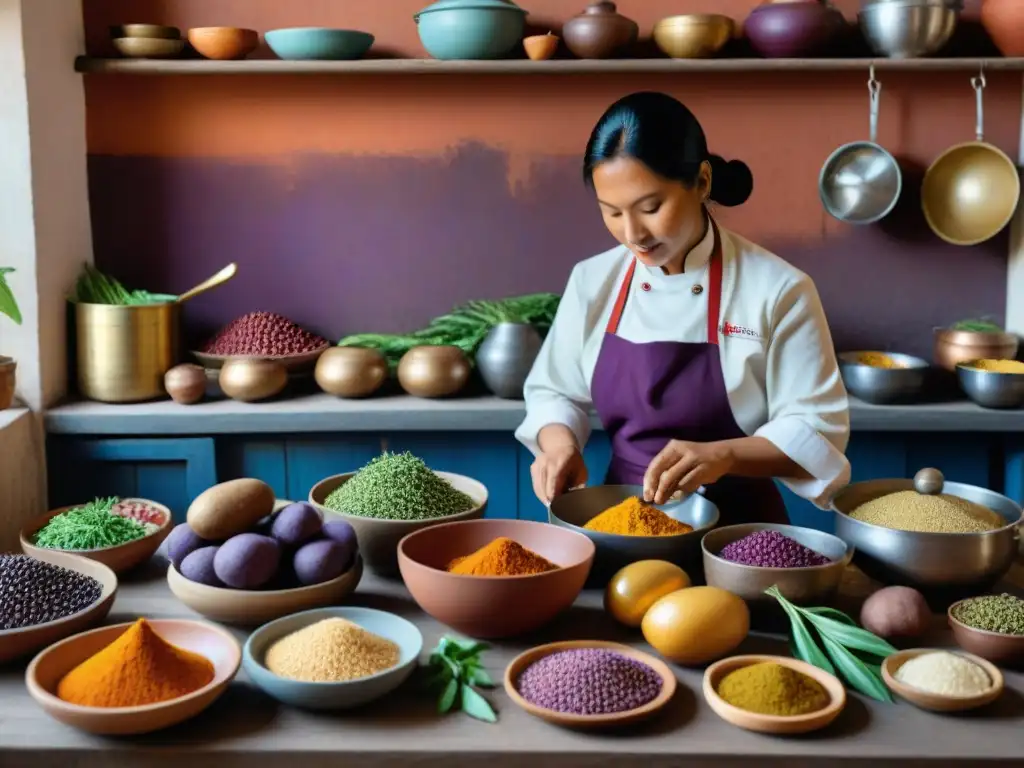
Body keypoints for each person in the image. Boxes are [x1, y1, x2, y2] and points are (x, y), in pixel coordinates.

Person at [515, 91, 850, 523]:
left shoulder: (779, 289)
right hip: (626, 522)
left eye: (651, 207)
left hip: (740, 536)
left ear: (703, 182)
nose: (633, 233)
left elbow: (816, 430)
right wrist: (558, 445)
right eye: (612, 212)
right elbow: (554, 391)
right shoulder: (592, 281)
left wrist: (725, 455)